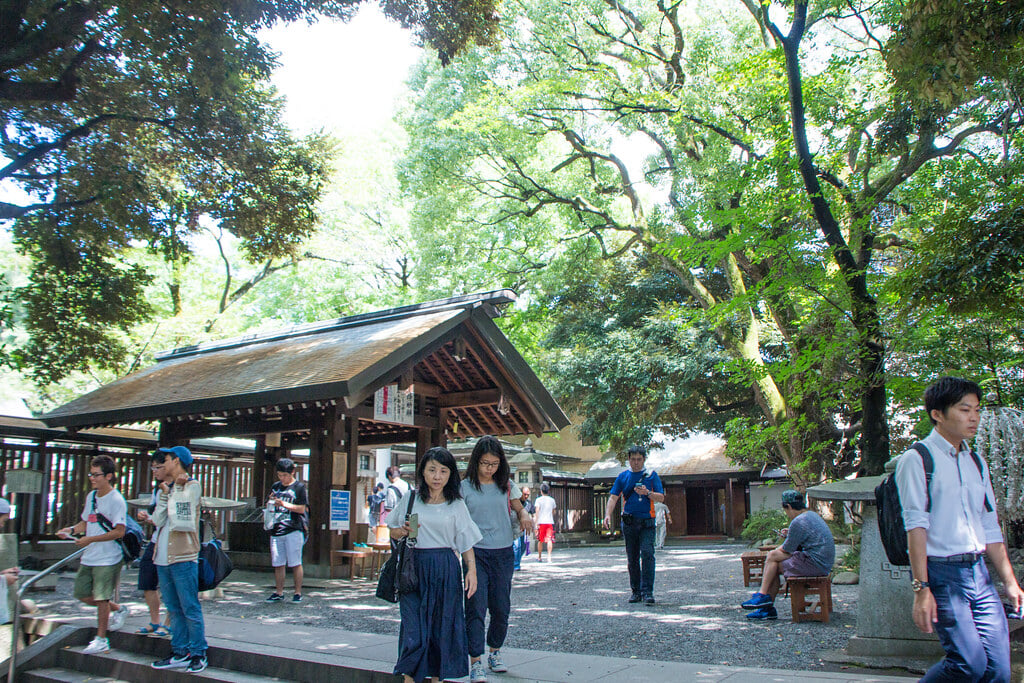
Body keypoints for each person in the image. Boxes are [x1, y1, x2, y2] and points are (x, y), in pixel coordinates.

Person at [897, 377, 1022, 681]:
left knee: (998, 671)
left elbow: (989, 525)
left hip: (978, 573)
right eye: (965, 410)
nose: (974, 418)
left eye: (977, 410)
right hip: (942, 575)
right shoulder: (918, 460)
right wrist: (921, 588)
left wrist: (1010, 582)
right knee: (967, 664)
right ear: (937, 414)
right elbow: (915, 528)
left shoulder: (975, 461)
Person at [387, 447, 481, 683]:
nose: (437, 476)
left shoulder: (456, 504)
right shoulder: (410, 498)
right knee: (414, 632)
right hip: (413, 568)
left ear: (450, 475)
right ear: (423, 471)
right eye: (432, 470)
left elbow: (465, 540)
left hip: (445, 568)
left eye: (443, 471)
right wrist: (402, 531)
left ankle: (437, 678)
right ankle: (409, 678)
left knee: (442, 629)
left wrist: (472, 570)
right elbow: (392, 529)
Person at [461, 436, 533, 682]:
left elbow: (517, 506)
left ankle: (495, 651)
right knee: (476, 607)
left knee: (501, 607)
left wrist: (524, 513)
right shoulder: (465, 487)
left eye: (493, 464)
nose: (489, 468)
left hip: (502, 552)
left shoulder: (506, 484)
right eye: (484, 463)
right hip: (475, 554)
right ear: (476, 462)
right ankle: (475, 661)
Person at [57, 455, 130, 654]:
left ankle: (101, 638)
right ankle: (119, 609)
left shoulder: (116, 500)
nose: (92, 478)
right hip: (90, 555)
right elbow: (86, 522)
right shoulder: (92, 497)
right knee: (81, 593)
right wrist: (71, 530)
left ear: (109, 476)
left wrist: (90, 540)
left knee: (101, 597)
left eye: (96, 475)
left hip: (109, 556)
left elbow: (119, 531)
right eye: (91, 474)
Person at [149, 446, 208, 673]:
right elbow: (158, 519)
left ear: (176, 461)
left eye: (165, 461)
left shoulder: (192, 486)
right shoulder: (167, 488)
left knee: (189, 607)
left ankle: (198, 652)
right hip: (162, 557)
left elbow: (181, 518)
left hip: (183, 556)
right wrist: (165, 493)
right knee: (173, 607)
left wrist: (175, 491)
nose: (162, 466)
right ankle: (179, 650)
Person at [741, 489, 835, 620]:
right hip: (822, 561)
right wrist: (789, 534)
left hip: (815, 564)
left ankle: (764, 601)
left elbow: (787, 550)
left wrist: (777, 549)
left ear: (789, 506)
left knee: (773, 560)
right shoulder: (811, 515)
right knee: (773, 560)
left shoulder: (798, 521)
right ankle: (765, 603)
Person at [602, 445, 665, 605]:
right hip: (629, 522)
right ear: (628, 460)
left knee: (648, 554)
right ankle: (635, 591)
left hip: (647, 522)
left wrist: (648, 493)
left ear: (644, 459)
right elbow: (613, 497)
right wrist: (607, 515)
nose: (636, 462)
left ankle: (648, 592)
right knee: (632, 557)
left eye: (639, 459)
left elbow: (661, 497)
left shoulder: (651, 475)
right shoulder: (623, 477)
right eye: (633, 459)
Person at [265, 458, 308, 603]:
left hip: (293, 528)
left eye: (285, 475)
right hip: (277, 529)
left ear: (292, 473)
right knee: (278, 563)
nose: (282, 478)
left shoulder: (299, 487)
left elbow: (302, 508)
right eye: (280, 475)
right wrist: (271, 502)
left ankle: (297, 592)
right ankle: (279, 592)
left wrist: (284, 503)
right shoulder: (276, 486)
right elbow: (269, 505)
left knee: (295, 562)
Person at [135, 471, 171, 637]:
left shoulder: (184, 488)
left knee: (171, 584)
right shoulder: (158, 490)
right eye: (154, 467)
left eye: (159, 466)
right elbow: (154, 513)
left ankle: (169, 623)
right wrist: (145, 516)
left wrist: (154, 518)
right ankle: (154, 621)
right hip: (156, 540)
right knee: (147, 578)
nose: (155, 470)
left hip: (172, 543)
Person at [533, 483, 557, 563]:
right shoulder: (552, 500)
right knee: (549, 539)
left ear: (541, 491)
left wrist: (536, 523)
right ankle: (549, 557)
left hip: (541, 521)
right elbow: (554, 511)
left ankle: (539, 556)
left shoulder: (538, 500)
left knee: (540, 540)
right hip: (549, 521)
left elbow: (537, 511)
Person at [512, 486, 534, 571]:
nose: (526, 496)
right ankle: (515, 564)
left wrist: (533, 526)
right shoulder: (514, 501)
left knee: (523, 546)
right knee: (516, 545)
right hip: (514, 526)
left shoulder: (528, 504)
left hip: (523, 528)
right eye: (525, 494)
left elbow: (533, 514)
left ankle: (517, 561)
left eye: (528, 495)